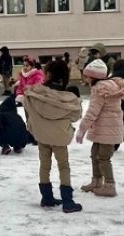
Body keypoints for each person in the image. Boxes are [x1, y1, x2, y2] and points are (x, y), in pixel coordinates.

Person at [22, 59, 83, 211]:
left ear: (48, 74)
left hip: (41, 135)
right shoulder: (69, 98)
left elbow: (28, 108)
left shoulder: (34, 93)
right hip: (60, 137)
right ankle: (68, 201)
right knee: (63, 166)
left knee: (44, 165)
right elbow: (76, 116)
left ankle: (47, 197)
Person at [75, 59, 124, 198]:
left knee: (103, 158)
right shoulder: (109, 85)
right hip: (104, 128)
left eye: (87, 76)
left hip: (108, 129)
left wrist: (82, 129)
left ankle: (109, 185)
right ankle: (96, 181)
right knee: (95, 154)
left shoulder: (101, 89)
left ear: (94, 77)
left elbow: (92, 112)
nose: (85, 78)